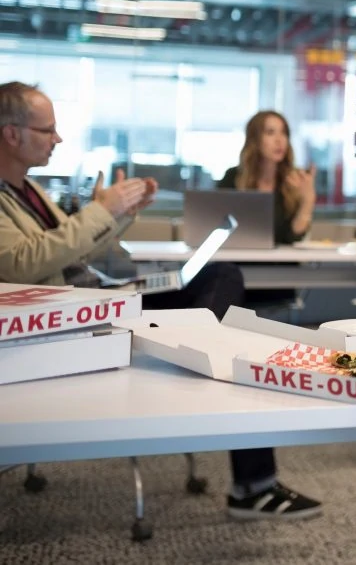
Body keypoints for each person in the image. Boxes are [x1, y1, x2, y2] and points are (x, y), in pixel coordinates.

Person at [0, 83, 321, 521]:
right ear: (12, 134)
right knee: (231, 337)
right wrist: (100, 211)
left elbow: (74, 250)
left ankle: (204, 354)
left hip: (104, 296)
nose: (56, 138)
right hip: (79, 314)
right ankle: (250, 478)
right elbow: (24, 263)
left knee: (221, 278)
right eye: (47, 129)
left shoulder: (29, 191)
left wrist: (121, 212)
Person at [218, 111, 316, 245]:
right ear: (255, 140)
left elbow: (294, 236)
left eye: (284, 133)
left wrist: (308, 200)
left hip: (281, 263)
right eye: (270, 132)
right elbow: (219, 229)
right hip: (242, 260)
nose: (279, 140)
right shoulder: (233, 177)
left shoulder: (292, 181)